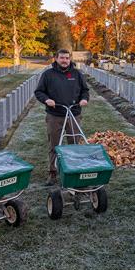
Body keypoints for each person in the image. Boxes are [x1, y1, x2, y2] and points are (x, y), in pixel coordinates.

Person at [34, 49, 90, 186]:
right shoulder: (48, 74)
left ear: (70, 59)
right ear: (56, 58)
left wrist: (84, 99)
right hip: (55, 115)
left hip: (74, 114)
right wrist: (47, 100)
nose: (64, 60)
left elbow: (85, 90)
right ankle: (52, 172)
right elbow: (39, 91)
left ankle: (74, 171)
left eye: (67, 58)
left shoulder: (77, 74)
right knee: (54, 145)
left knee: (74, 144)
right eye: (61, 58)